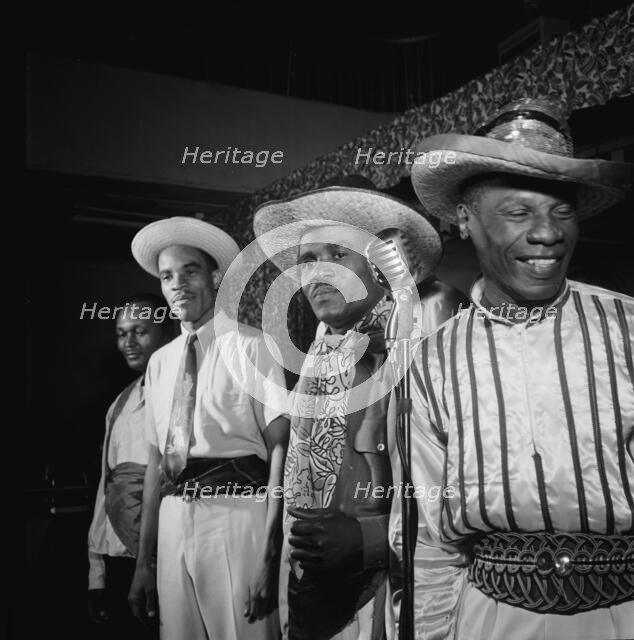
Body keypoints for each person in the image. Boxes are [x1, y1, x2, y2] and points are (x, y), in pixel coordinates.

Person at [405, 98, 634, 639]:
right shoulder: (433, 358)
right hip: (493, 619)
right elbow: (431, 538)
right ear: (465, 218)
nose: (548, 234)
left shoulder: (628, 330)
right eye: (518, 213)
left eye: (561, 211)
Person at [254, 178, 465, 639]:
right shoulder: (318, 351)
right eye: (308, 260)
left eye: (338, 255)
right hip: (311, 584)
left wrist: (369, 539)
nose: (320, 272)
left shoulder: (423, 328)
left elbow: (459, 473)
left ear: (377, 266)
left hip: (389, 587)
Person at [127, 217, 290, 640]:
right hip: (173, 521)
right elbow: (154, 465)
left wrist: (270, 553)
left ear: (215, 276)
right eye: (167, 276)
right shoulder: (161, 363)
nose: (177, 284)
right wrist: (144, 562)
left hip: (237, 520)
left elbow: (281, 451)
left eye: (190, 271)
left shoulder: (254, 347)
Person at [88, 293, 173, 638]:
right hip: (118, 557)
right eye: (122, 333)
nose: (128, 342)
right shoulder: (119, 405)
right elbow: (105, 490)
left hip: (163, 555)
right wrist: (96, 574)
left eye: (140, 331)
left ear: (166, 332)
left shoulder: (181, 394)